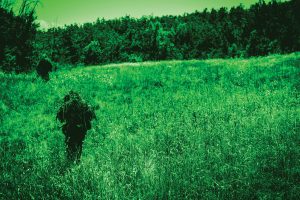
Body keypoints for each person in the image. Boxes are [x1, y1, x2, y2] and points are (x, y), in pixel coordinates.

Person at [57, 91, 96, 163]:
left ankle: (70, 159)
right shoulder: (83, 106)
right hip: (81, 130)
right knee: (80, 143)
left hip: (71, 129)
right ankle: (78, 160)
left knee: (70, 143)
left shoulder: (67, 106)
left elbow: (61, 118)